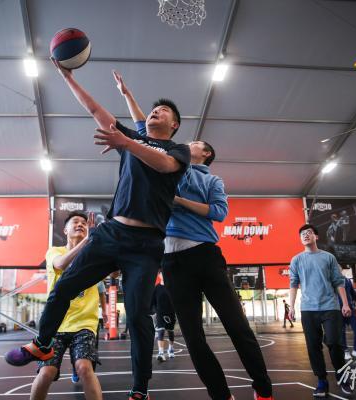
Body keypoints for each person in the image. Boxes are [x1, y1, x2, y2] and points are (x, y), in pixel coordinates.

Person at [6, 61, 190, 400]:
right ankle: (43, 343)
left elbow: (163, 164)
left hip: (146, 243)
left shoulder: (177, 151)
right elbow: (94, 109)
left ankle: (140, 388)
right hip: (111, 233)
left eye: (163, 111)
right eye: (153, 109)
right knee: (63, 287)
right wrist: (68, 77)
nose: (156, 112)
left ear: (174, 124)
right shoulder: (132, 138)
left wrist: (127, 142)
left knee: (137, 315)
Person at [115, 70, 273, 400]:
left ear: (205, 154)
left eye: (195, 144)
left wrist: (178, 201)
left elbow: (218, 213)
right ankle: (221, 395)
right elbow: (144, 129)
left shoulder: (210, 181)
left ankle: (263, 389)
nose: (189, 144)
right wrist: (127, 94)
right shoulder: (167, 162)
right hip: (171, 260)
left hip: (204, 255)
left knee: (237, 326)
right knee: (193, 337)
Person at [30, 211, 103, 400]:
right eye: (75, 222)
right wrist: (88, 240)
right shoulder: (54, 251)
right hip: (56, 323)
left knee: (84, 368)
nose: (80, 224)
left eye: (84, 223)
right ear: (65, 230)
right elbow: (61, 264)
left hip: (85, 323)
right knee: (47, 372)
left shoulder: (94, 256)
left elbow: (113, 274)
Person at [288, 224, 353, 397]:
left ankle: (342, 377)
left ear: (316, 237)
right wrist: (291, 306)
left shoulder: (328, 257)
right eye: (302, 234)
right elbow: (293, 284)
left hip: (330, 307)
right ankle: (322, 381)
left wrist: (345, 304)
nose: (305, 235)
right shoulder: (296, 260)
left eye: (309, 232)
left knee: (335, 343)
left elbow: (338, 282)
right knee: (313, 347)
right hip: (308, 309)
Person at [71, 280, 108, 384]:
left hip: (91, 320)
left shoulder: (98, 279)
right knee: (74, 346)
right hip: (74, 319)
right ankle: (75, 371)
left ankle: (91, 372)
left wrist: (104, 312)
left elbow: (102, 295)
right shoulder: (74, 274)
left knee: (93, 348)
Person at [151, 273, 176, 362]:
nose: (163, 275)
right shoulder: (156, 288)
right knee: (160, 331)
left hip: (171, 312)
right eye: (161, 274)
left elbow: (177, 300)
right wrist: (155, 312)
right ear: (159, 275)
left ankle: (171, 349)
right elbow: (152, 302)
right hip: (160, 313)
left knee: (170, 332)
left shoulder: (172, 287)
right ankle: (161, 353)